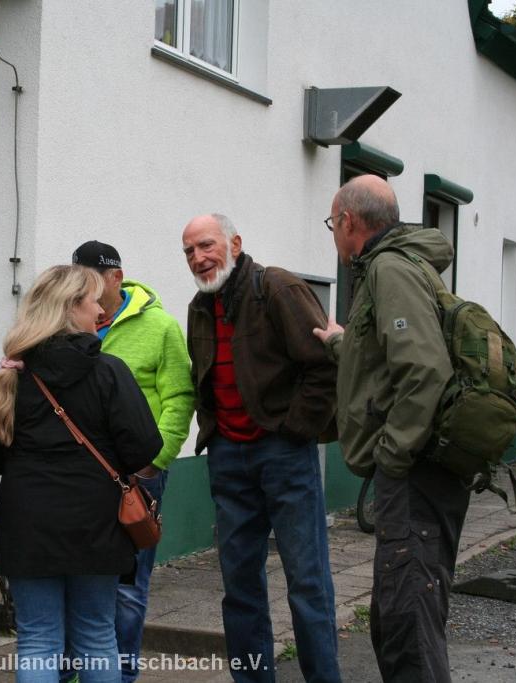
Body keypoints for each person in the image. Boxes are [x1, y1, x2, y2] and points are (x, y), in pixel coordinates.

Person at [313, 175, 467, 682]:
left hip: (415, 475)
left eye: (332, 224)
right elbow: (383, 356)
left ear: (347, 221)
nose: (334, 235)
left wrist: (391, 457)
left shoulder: (389, 269)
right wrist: (340, 342)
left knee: (409, 626)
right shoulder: (399, 265)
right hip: (422, 471)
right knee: (397, 617)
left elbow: (423, 370)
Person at [181, 214, 340, 683]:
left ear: (234, 243)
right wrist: (214, 433)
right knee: (239, 589)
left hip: (283, 454)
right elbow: (205, 379)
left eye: (206, 245)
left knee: (307, 583)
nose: (198, 258)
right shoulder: (199, 307)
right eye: (189, 251)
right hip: (229, 459)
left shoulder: (276, 288)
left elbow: (324, 366)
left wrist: (293, 430)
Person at [0, 264, 163, 683]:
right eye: (93, 302)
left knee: (37, 639)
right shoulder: (109, 371)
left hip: (27, 522)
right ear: (69, 308)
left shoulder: (12, 376)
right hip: (97, 522)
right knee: (97, 635)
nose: (100, 311)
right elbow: (143, 450)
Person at [70, 241, 194, 683]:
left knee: (128, 586)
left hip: (136, 478)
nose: (82, 288)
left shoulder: (159, 326)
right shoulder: (70, 323)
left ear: (116, 278)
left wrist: (153, 462)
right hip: (78, 477)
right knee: (73, 577)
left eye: (90, 279)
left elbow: (180, 397)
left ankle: (121, 674)